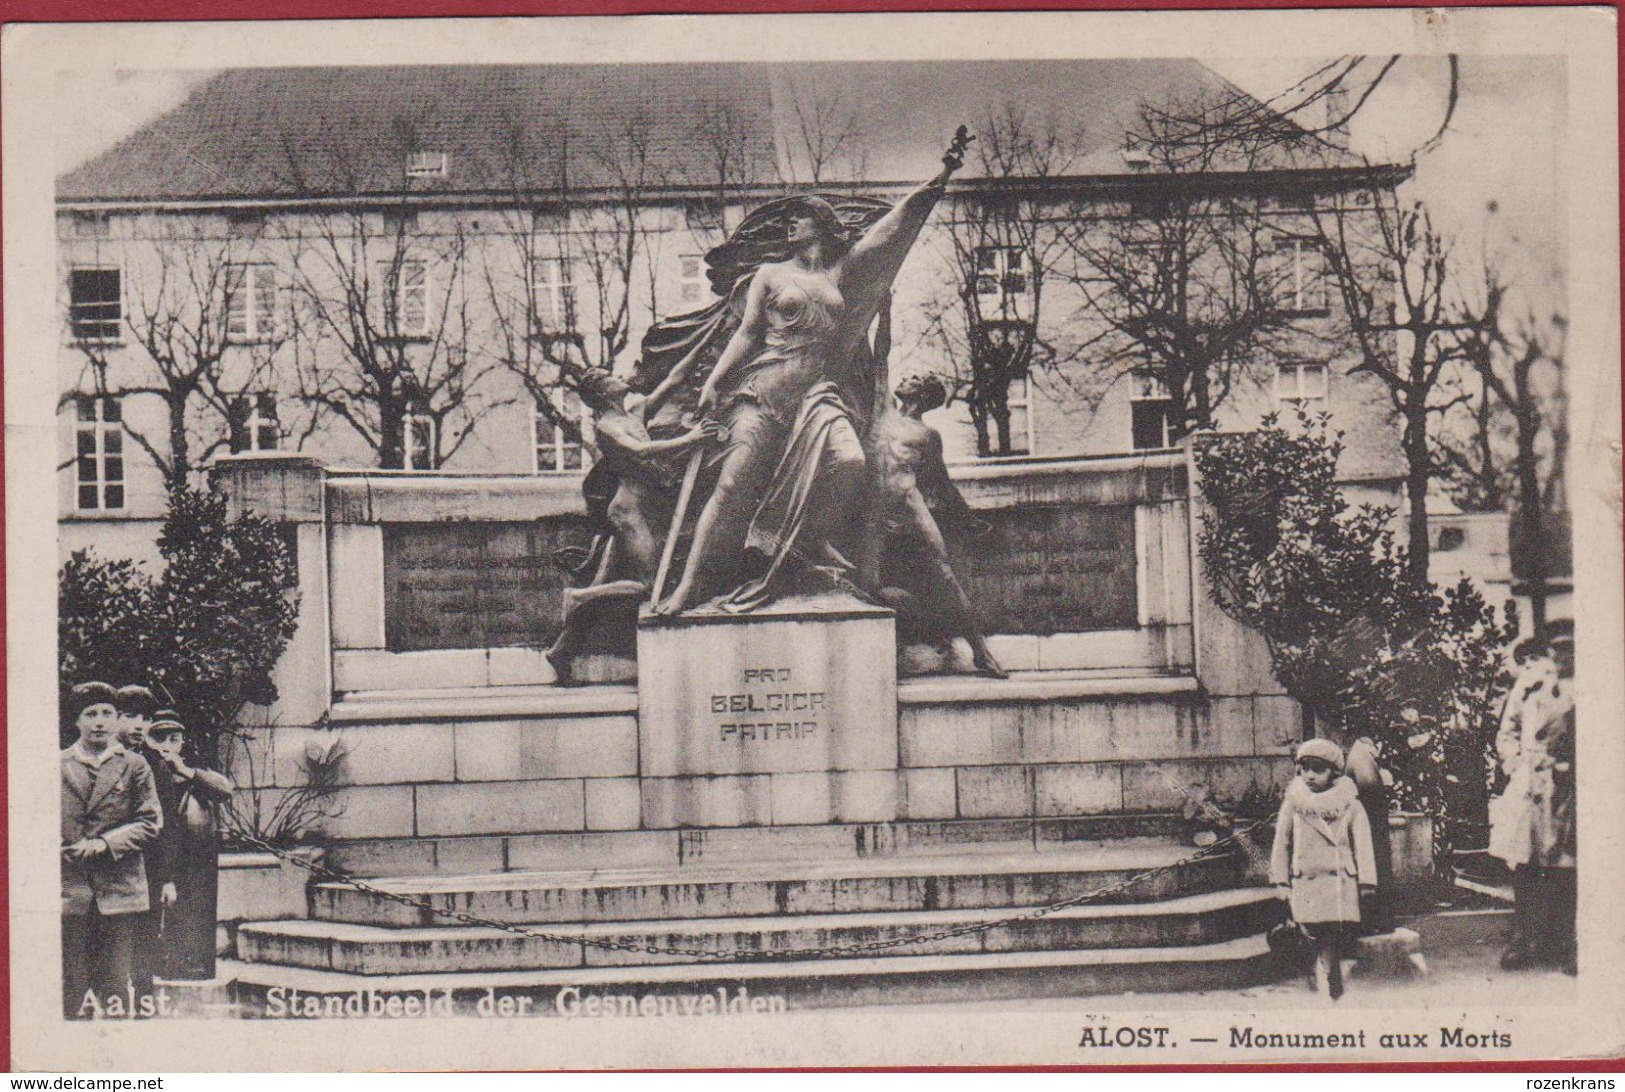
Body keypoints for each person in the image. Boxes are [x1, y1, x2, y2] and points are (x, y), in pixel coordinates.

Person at [657, 130, 971, 615]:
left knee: (850, 463)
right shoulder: (771, 275)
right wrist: (717, 382)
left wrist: (940, 178)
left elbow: (892, 229)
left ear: (821, 227)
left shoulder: (839, 276)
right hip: (764, 391)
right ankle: (687, 589)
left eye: (798, 220)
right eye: (788, 221)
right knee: (730, 489)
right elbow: (745, 334)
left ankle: (807, 539)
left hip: (817, 396)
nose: (790, 226)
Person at [545, 369, 721, 683]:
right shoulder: (607, 427)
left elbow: (673, 378)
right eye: (610, 376)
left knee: (606, 581)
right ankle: (578, 598)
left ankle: (562, 650)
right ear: (602, 392)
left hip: (642, 511)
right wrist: (691, 439)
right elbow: (640, 451)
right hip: (629, 514)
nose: (620, 376)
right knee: (653, 588)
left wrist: (712, 333)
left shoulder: (635, 412)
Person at [866, 372, 1004, 677]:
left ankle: (980, 651)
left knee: (944, 577)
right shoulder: (881, 411)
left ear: (923, 395)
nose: (906, 378)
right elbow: (880, 354)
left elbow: (941, 483)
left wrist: (968, 520)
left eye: (915, 379)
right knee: (871, 583)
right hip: (876, 510)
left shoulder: (928, 435)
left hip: (910, 506)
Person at [62, 681, 162, 1019]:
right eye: (91, 714)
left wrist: (104, 844)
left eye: (108, 713)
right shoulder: (57, 766)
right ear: (76, 721)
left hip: (119, 893)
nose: (100, 722)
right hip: (69, 894)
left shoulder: (134, 766)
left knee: (116, 986)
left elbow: (150, 822)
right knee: (73, 988)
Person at [1489, 641, 1576, 972]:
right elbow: (1507, 730)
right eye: (1556, 648)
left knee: (1565, 863)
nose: (1562, 655)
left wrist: (1570, 766)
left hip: (1565, 784)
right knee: (1525, 863)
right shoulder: (1528, 684)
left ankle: (1566, 944)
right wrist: (1512, 761)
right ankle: (1525, 939)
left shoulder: (1587, 684)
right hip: (1528, 784)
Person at [1269, 738, 1379, 1001]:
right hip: (1306, 877)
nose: (1310, 776)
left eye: (1318, 770)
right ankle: (1317, 967)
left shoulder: (1350, 803)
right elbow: (1281, 842)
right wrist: (1280, 881)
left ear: (1333, 773)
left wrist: (1367, 882)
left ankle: (1332, 973)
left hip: (1338, 878)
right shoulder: (1294, 803)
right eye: (1305, 769)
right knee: (1309, 929)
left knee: (1332, 930)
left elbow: (1363, 843)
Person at [146, 711, 236, 980]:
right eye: (159, 739)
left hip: (198, 862)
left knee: (198, 915)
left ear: (182, 742)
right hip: (163, 859)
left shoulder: (193, 775)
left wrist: (185, 771)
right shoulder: (146, 772)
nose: (166, 746)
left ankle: (197, 967)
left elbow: (224, 791)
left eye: (173, 739)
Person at [114, 683, 173, 1009]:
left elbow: (168, 828)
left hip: (148, 869)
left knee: (145, 942)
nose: (139, 725)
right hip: (110, 866)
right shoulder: (101, 759)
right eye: (130, 716)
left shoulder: (155, 764)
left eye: (146, 718)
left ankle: (144, 1005)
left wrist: (167, 877)